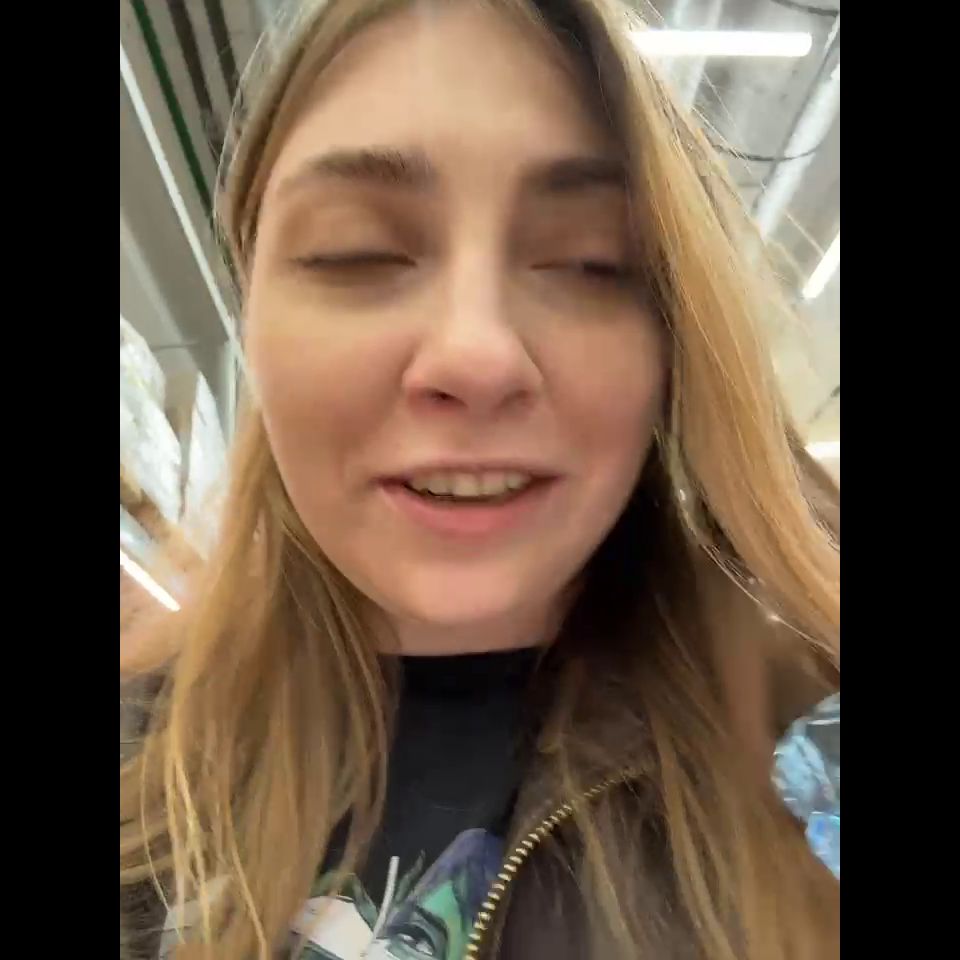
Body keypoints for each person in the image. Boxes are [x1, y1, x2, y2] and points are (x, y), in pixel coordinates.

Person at [119, 0, 840, 957]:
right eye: (356, 252)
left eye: (591, 262)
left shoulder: (813, 757)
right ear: (252, 312)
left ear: (675, 341)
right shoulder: (139, 757)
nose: (477, 355)